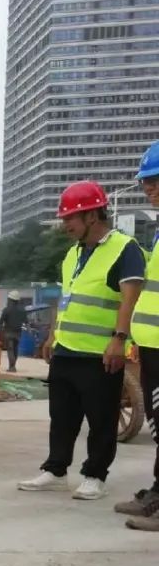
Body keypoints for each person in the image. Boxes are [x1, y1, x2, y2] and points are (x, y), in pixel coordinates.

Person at [18, 181, 144, 501]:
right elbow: (67, 298)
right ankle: (56, 470)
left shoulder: (123, 248)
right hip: (67, 349)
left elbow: (130, 298)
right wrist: (52, 335)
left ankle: (95, 474)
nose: (65, 225)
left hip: (100, 351)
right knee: (62, 416)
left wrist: (119, 339)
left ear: (91, 215)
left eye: (69, 218)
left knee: (101, 418)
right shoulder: (73, 253)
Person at [121, 141, 159, 530]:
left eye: (155, 180)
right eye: (146, 182)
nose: (149, 188)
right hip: (152, 347)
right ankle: (157, 492)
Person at [0, 291, 26, 373]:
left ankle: (12, 367)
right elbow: (26, 321)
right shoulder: (22, 310)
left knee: (10, 350)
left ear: (10, 300)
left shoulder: (6, 310)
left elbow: (0, 322)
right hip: (18, 333)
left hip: (8, 333)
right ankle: (13, 366)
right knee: (15, 349)